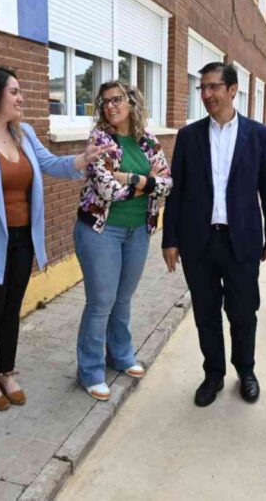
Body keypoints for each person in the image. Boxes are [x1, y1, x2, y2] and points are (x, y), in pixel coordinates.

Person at [0, 66, 110, 411]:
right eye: (14, 92)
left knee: (11, 308)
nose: (21, 98)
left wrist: (83, 159)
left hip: (22, 239)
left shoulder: (23, 133)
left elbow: (49, 163)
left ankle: (7, 371)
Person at [162, 62, 266, 408]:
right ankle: (213, 374)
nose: (207, 94)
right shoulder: (189, 135)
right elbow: (178, 190)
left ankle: (246, 370)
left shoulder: (258, 135)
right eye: (202, 88)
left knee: (244, 313)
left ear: (233, 90)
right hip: (199, 242)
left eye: (213, 87)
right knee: (206, 313)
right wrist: (170, 238)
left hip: (241, 241)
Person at [74, 81, 172, 401]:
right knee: (101, 301)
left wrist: (130, 178)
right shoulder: (100, 140)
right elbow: (106, 191)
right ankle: (90, 370)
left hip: (138, 231)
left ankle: (121, 354)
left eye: (117, 100)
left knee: (123, 298)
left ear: (132, 101)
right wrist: (147, 184)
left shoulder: (147, 142)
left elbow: (168, 184)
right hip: (101, 231)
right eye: (104, 103)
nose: (110, 107)